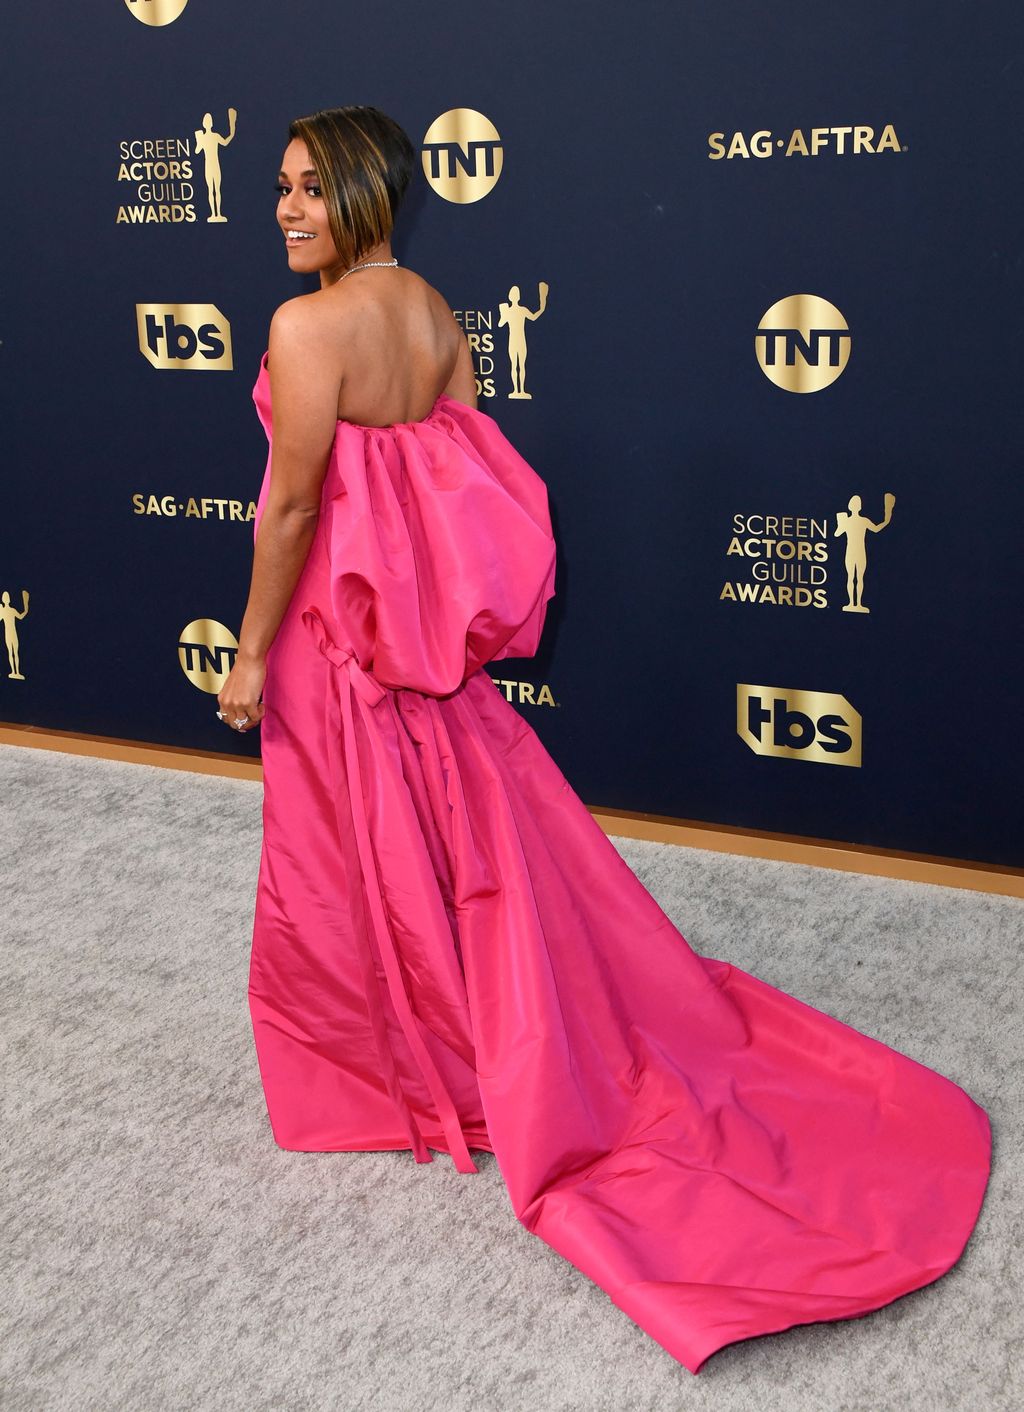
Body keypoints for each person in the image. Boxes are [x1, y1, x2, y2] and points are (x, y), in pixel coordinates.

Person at [215, 105, 991, 1375]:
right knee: (462, 858)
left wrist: (250, 650)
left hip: (343, 649)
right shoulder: (429, 309)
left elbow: (295, 500)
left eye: (308, 189)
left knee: (345, 860)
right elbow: (474, 471)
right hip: (426, 657)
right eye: (279, 189)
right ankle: (468, 1051)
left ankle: (407, 1074)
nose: (285, 210)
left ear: (363, 191)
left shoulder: (306, 327)